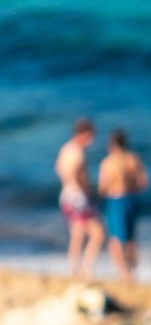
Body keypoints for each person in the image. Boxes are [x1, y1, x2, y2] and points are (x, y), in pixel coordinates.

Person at [98, 129, 151, 284]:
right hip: (132, 199)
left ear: (112, 144)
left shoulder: (108, 162)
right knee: (131, 239)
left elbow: (102, 187)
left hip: (116, 200)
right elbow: (144, 183)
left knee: (115, 240)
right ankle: (133, 269)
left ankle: (124, 274)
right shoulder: (134, 159)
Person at [55, 117, 104, 279]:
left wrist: (69, 184)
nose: (93, 140)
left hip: (67, 195)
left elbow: (59, 168)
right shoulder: (78, 151)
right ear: (84, 134)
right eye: (91, 135)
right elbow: (72, 172)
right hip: (77, 197)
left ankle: (75, 270)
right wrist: (81, 188)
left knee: (77, 234)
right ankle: (86, 269)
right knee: (98, 233)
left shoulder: (66, 148)